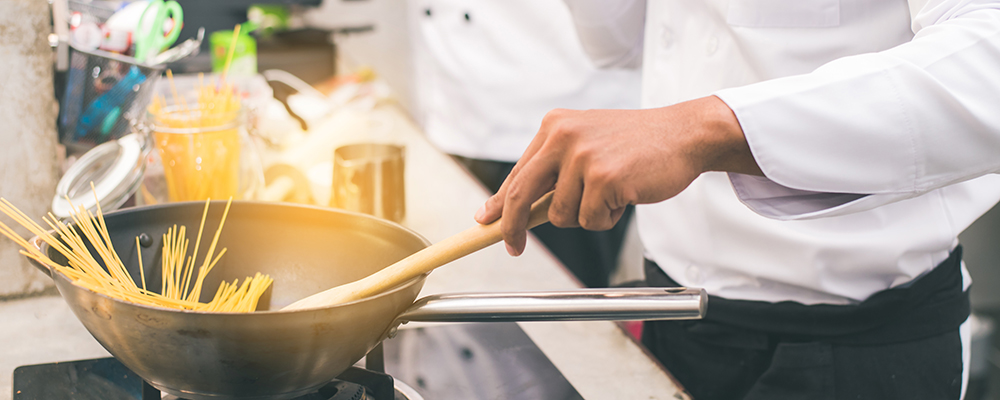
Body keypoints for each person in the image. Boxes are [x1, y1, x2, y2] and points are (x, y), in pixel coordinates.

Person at [474, 0, 1000, 399]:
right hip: (674, 311)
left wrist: (704, 130)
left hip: (855, 342)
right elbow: (619, 45)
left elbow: (989, 58)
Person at [408, 0, 642, 287]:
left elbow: (619, 32)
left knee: (560, 308)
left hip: (563, 113)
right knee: (463, 292)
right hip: (453, 111)